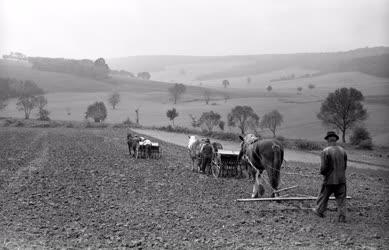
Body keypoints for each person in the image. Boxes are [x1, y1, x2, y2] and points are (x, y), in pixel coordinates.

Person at [312, 131, 348, 222]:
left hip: (329, 179)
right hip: (341, 179)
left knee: (324, 195)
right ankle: (342, 216)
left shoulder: (325, 151)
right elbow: (345, 166)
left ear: (328, 140)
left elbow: (324, 167)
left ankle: (319, 210)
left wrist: (322, 173)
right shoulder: (343, 151)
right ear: (335, 139)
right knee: (341, 198)